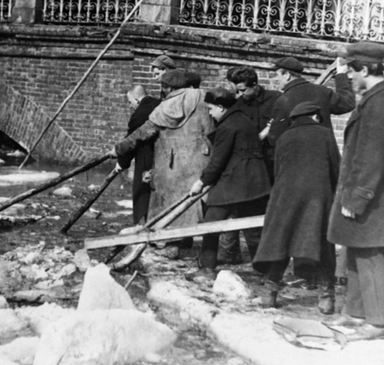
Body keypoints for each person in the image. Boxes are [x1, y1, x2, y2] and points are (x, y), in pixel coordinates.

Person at [327, 42, 384, 341]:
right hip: (372, 190)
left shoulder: (381, 102)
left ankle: (377, 323)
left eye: (351, 71)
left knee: (372, 253)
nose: (348, 77)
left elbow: (373, 156)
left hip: (376, 194)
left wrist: (357, 197)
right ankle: (355, 312)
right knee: (356, 247)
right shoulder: (380, 97)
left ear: (364, 69)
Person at [112, 69, 214, 260]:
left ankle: (173, 245)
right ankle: (186, 241)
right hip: (202, 158)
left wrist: (119, 149)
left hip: (174, 162)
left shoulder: (168, 105)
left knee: (172, 200)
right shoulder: (204, 97)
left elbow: (144, 132)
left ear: (168, 87)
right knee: (193, 200)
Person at [253, 102, 340, 312]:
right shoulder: (325, 134)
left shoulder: (283, 137)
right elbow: (336, 167)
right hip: (317, 196)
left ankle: (270, 293)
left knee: (281, 241)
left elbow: (278, 169)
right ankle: (326, 296)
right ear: (315, 116)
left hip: (285, 195)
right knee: (323, 244)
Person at [188, 87, 271, 281]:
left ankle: (207, 269)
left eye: (211, 109)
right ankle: (264, 270)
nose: (209, 113)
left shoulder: (227, 126)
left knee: (210, 225)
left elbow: (218, 160)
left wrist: (201, 182)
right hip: (255, 184)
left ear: (221, 107)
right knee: (253, 229)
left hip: (233, 182)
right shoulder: (245, 121)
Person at [268, 56, 354, 146]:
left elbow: (274, 139)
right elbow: (347, 103)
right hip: (324, 154)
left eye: (277, 75)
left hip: (298, 156)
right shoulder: (322, 91)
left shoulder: (282, 101)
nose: (276, 79)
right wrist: (341, 75)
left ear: (287, 75)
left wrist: (272, 127)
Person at [115, 85, 161, 225]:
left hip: (147, 154)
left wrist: (122, 162)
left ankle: (142, 223)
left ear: (136, 99)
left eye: (130, 102)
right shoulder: (158, 104)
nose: (130, 106)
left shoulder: (140, 114)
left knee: (142, 190)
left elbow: (132, 140)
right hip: (162, 155)